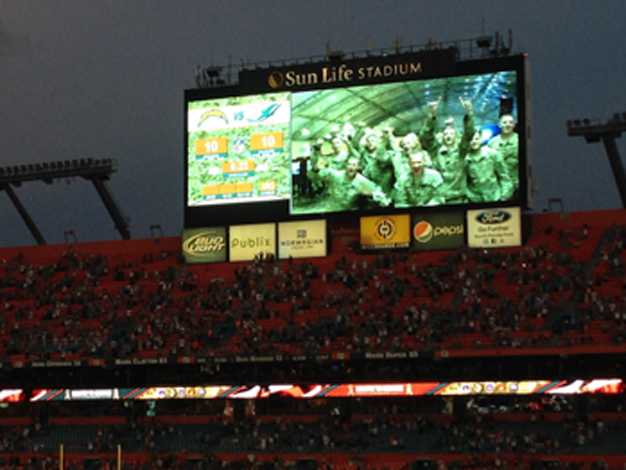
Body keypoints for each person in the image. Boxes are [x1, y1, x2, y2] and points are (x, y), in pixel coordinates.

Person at [421, 97, 475, 204]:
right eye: (446, 134)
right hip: (439, 198)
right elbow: (426, 136)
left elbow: (469, 134)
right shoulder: (435, 151)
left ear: (456, 136)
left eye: (451, 134)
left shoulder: (461, 151)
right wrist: (431, 114)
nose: (448, 136)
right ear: (442, 137)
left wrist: (469, 112)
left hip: (458, 198)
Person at [308, 156, 391, 212]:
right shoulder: (335, 175)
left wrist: (384, 201)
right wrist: (315, 168)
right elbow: (313, 176)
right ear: (345, 166)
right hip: (332, 210)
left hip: (350, 212)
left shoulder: (362, 182)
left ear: (358, 168)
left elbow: (377, 192)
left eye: (354, 165)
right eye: (349, 164)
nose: (351, 167)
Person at [465, 130, 514, 203]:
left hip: (494, 197)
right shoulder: (464, 159)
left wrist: (504, 197)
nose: (474, 142)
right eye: (471, 139)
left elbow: (504, 177)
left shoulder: (493, 155)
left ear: (481, 140)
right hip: (474, 200)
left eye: (476, 139)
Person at [487, 113, 519, 192]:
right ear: (499, 125)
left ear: (514, 125)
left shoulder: (520, 141)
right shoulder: (492, 143)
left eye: (510, 122)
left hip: (517, 184)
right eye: (504, 122)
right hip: (499, 185)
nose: (507, 125)